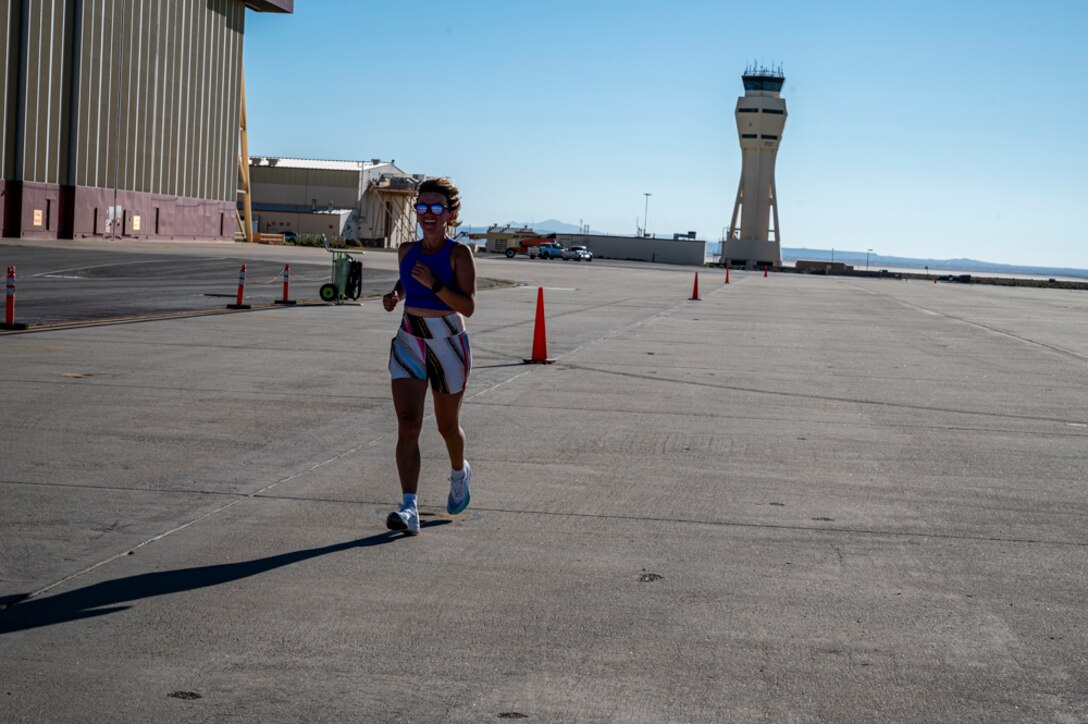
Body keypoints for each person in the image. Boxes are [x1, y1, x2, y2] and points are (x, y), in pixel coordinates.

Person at [382, 178, 476, 535]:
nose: (429, 214)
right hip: (410, 339)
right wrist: (395, 294)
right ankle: (409, 507)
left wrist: (436, 286)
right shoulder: (406, 251)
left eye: (437, 208)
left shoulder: (458, 254)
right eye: (422, 207)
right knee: (408, 424)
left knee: (446, 426)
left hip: (448, 342)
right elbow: (406, 280)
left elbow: (468, 305)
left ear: (451, 214)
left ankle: (459, 472)